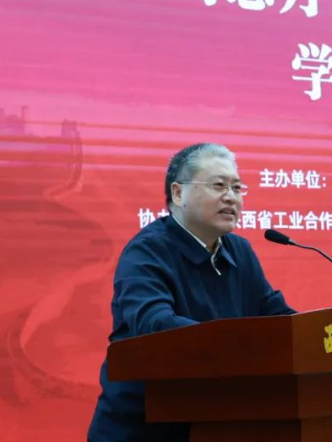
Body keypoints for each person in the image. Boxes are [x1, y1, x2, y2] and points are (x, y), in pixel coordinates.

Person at [87, 143, 294, 442]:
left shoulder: (240, 251)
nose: (231, 197)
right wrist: (236, 346)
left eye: (237, 188)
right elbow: (154, 325)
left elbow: (277, 316)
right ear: (178, 193)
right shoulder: (147, 250)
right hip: (144, 428)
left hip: (216, 424)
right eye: (218, 185)